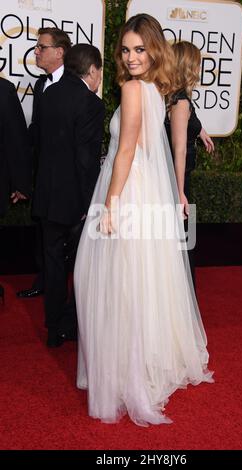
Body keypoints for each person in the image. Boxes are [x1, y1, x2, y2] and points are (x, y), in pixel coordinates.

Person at [74, 14, 213, 426]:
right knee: (138, 282)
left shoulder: (135, 89)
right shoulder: (156, 89)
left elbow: (127, 152)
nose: (132, 57)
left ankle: (123, 374)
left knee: (107, 281)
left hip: (125, 194)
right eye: (126, 49)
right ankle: (139, 365)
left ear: (154, 50)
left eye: (140, 49)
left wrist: (112, 202)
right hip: (144, 194)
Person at [32, 44, 105, 347]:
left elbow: (37, 143)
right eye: (100, 71)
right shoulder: (91, 103)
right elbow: (86, 159)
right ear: (91, 70)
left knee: (53, 263)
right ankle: (70, 324)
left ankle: (52, 327)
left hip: (47, 196)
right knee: (81, 265)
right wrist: (90, 202)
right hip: (75, 200)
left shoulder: (48, 95)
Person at [17, 27, 72, 299]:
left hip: (65, 180)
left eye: (42, 47)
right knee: (41, 230)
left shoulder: (74, 86)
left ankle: (59, 290)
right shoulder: (40, 84)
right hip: (42, 173)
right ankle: (43, 281)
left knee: (60, 239)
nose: (36, 51)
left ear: (59, 52)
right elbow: (36, 129)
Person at [165, 41, 214, 288]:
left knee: (178, 240)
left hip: (173, 178)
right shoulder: (181, 101)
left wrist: (201, 130)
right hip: (180, 179)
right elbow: (180, 149)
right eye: (197, 63)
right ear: (189, 66)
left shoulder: (171, 95)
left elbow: (189, 119)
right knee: (184, 241)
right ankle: (184, 296)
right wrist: (180, 192)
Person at [0, 77, 32, 303]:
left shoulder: (4, 90)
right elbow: (16, 138)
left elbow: (16, 139)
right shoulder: (4, 89)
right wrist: (20, 183)